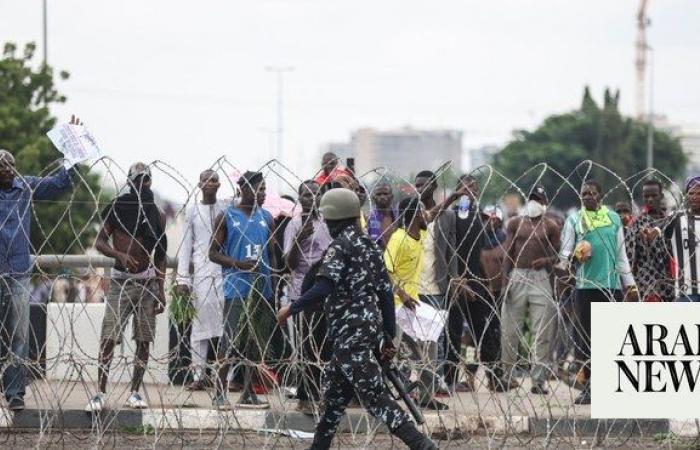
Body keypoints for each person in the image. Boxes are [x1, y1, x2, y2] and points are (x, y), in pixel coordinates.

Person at [277, 188, 437, 450]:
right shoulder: (370, 247)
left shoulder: (339, 248)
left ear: (335, 220)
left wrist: (291, 308)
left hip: (350, 336)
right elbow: (385, 293)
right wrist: (387, 334)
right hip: (363, 332)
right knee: (333, 402)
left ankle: (422, 444)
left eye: (327, 220)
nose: (326, 225)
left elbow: (323, 287)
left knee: (375, 398)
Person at [0, 134, 79, 411]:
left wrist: (72, 153)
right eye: (2, 165)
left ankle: (15, 393)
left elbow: (59, 185)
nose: (7, 168)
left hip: (19, 272)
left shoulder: (26, 187)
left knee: (19, 335)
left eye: (10, 163)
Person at [87, 162, 168, 412]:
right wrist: (118, 256)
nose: (144, 183)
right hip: (120, 282)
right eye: (139, 178)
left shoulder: (157, 214)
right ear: (131, 182)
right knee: (109, 337)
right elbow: (100, 242)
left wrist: (161, 291)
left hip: (146, 284)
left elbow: (161, 255)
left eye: (147, 179)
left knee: (144, 340)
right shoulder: (118, 207)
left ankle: (134, 392)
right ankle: (100, 393)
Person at [558, 180, 638, 405]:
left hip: (611, 287)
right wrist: (576, 256)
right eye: (584, 193)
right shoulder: (574, 220)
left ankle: (609, 386)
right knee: (585, 340)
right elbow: (564, 258)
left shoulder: (613, 219)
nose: (588, 196)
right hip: (585, 288)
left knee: (610, 339)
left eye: (593, 193)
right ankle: (589, 387)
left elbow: (621, 256)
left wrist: (630, 285)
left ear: (600, 196)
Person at [209, 171, 275, 409]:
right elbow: (212, 253)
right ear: (245, 189)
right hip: (236, 287)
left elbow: (274, 254)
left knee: (254, 343)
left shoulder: (267, 218)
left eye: (265, 189)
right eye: (260, 189)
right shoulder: (227, 216)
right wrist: (238, 264)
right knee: (230, 341)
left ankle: (248, 393)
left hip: (261, 289)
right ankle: (219, 393)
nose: (263, 194)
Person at [445, 175, 514, 393]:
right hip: (455, 282)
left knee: (485, 330)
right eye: (464, 187)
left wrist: (486, 283)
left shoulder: (479, 216)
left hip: (476, 282)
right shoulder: (450, 216)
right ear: (457, 191)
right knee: (454, 332)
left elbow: (480, 253)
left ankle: (494, 377)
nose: (469, 191)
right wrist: (456, 278)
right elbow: (447, 250)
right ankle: (450, 379)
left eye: (473, 188)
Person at [385, 196, 448, 411]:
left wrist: (455, 197)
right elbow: (385, 271)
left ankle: (425, 394)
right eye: (423, 212)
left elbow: (435, 213)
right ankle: (386, 395)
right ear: (414, 215)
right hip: (396, 305)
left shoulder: (418, 234)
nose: (427, 215)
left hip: (413, 304)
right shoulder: (399, 239)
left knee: (430, 344)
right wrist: (401, 294)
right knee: (395, 352)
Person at [500, 186, 561, 395]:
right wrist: (504, 282)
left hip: (541, 277)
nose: (534, 202)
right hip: (517, 275)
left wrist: (546, 260)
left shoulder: (551, 226)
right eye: (532, 198)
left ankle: (538, 380)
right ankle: (506, 376)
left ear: (544, 203)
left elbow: (557, 256)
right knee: (510, 328)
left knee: (542, 331)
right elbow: (508, 252)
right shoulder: (516, 223)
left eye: (538, 199)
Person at [283, 180, 332, 414]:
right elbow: (289, 264)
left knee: (323, 345)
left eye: (315, 194)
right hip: (301, 289)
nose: (311, 198)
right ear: (300, 198)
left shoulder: (327, 223)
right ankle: (305, 396)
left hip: (324, 288)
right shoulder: (294, 224)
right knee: (305, 346)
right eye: (306, 195)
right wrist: (300, 238)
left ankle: (321, 393)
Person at [175, 170, 227, 391]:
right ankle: (199, 375)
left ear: (219, 184)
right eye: (206, 180)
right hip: (202, 274)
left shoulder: (226, 209)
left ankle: (227, 376)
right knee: (200, 325)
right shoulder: (193, 210)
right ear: (199, 184)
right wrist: (182, 279)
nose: (211, 184)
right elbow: (186, 246)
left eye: (214, 180)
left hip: (225, 271)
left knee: (227, 324)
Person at [414, 170, 457, 389]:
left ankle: (435, 380)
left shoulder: (448, 217)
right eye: (416, 185)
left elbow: (451, 250)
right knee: (414, 338)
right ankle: (419, 380)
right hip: (413, 286)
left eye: (423, 185)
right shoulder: (411, 213)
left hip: (436, 284)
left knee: (436, 337)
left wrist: (456, 278)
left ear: (434, 187)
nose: (419, 189)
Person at [643, 176, 700, 302]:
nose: (695, 197)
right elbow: (660, 227)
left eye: (699, 193)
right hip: (687, 291)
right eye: (691, 193)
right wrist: (653, 233)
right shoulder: (677, 218)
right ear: (686, 195)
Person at [626, 179, 673, 302]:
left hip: (668, 282)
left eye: (654, 195)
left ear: (661, 196)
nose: (650, 199)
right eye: (646, 196)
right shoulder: (637, 224)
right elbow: (630, 257)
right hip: (645, 282)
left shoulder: (670, 222)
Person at [367, 182, 397, 248]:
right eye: (379, 194)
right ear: (373, 198)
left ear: (392, 196)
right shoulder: (368, 219)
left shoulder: (399, 216)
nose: (382, 197)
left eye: (385, 194)